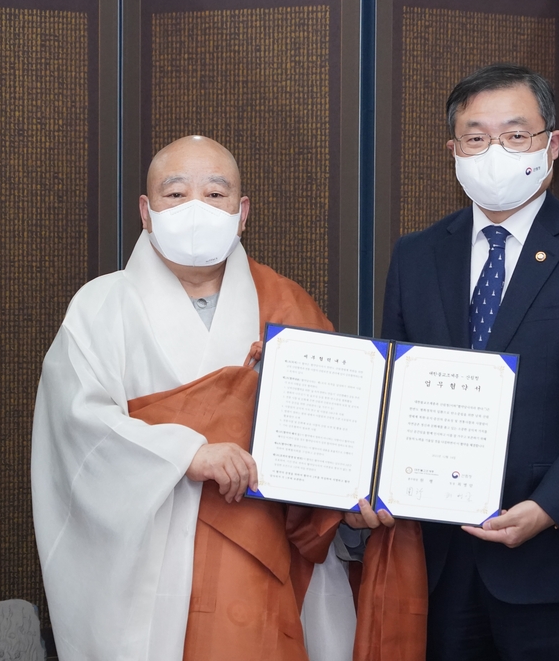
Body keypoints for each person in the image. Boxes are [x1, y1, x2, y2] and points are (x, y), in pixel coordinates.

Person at [32, 136, 425, 661]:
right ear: (146, 213)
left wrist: (348, 507)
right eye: (175, 195)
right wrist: (186, 454)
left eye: (215, 194)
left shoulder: (287, 304)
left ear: (242, 214)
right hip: (153, 560)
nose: (195, 208)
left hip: (266, 559)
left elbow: (338, 435)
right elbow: (77, 430)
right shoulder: (100, 306)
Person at [381, 63, 559, 660]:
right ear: (453, 150)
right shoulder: (416, 255)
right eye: (477, 137)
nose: (496, 152)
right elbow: (391, 395)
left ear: (551, 145)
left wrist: (549, 507)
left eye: (516, 134)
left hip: (555, 568)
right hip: (439, 564)